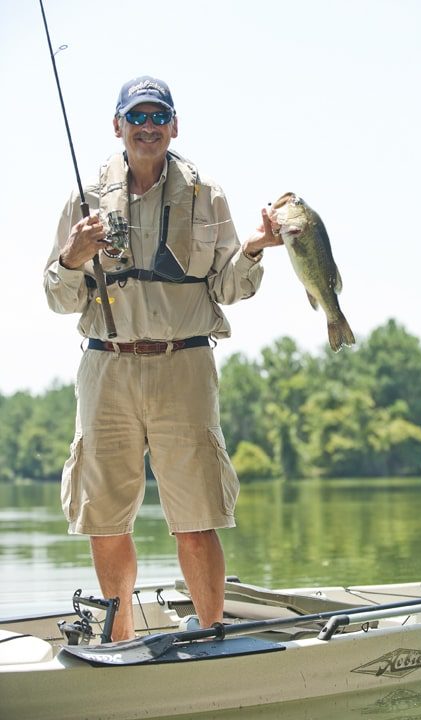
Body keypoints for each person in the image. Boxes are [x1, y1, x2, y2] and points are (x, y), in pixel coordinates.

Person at [44, 75, 282, 641]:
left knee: (197, 519)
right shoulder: (82, 200)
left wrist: (251, 248)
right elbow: (57, 296)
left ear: (174, 126)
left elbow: (227, 287)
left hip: (185, 365)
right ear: (118, 126)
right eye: (137, 117)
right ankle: (118, 640)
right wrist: (73, 258)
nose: (147, 128)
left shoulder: (209, 194)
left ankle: (211, 634)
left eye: (158, 117)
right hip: (107, 366)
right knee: (105, 519)